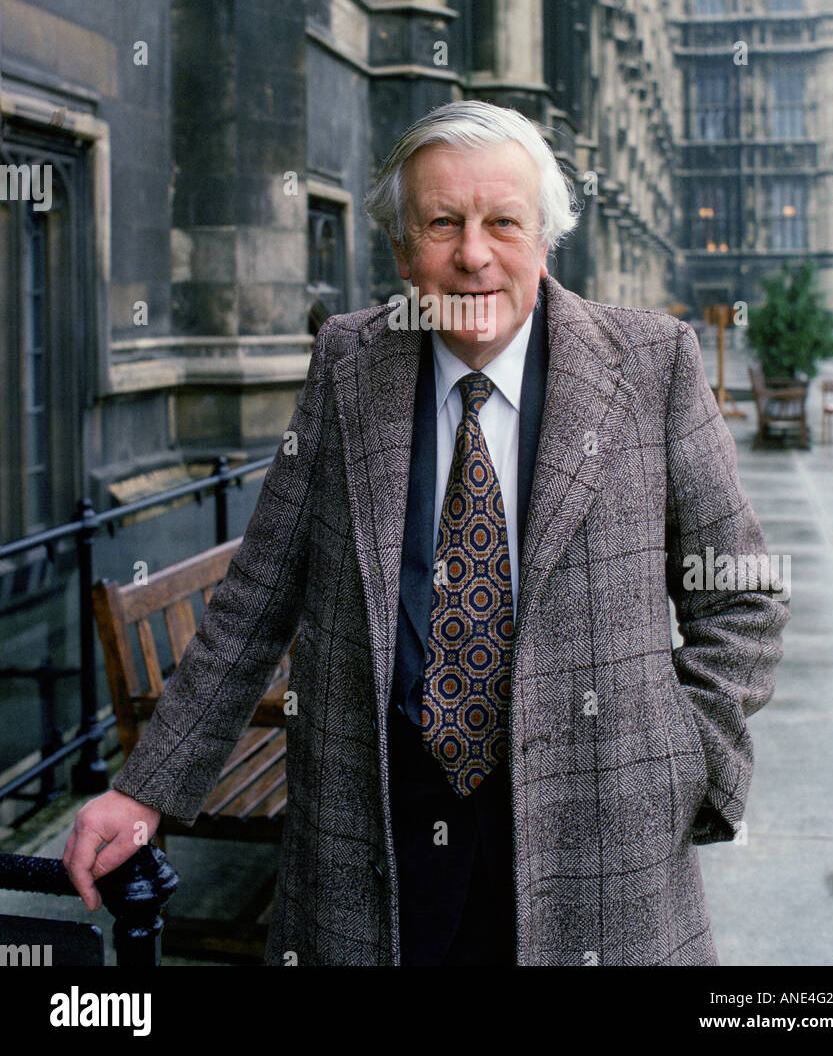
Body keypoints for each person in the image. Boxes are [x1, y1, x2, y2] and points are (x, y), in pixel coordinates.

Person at [63, 99, 789, 966]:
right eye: (442, 223)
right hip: (376, 830)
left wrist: (683, 760)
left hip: (601, 838)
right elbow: (259, 595)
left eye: (502, 223)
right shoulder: (347, 363)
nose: (473, 254)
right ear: (402, 247)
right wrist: (146, 787)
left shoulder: (651, 364)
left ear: (544, 237)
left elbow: (739, 593)